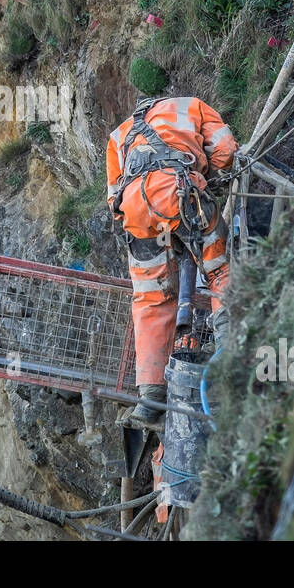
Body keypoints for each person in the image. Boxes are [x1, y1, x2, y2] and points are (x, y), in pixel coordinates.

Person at [105, 95, 236, 428]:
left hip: (137, 213)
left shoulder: (119, 135)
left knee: (150, 299)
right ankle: (230, 345)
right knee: (218, 269)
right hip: (178, 194)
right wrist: (209, 173)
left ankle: (149, 398)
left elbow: (112, 198)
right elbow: (226, 152)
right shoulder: (191, 106)